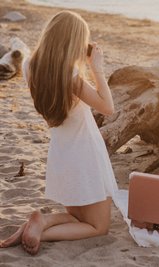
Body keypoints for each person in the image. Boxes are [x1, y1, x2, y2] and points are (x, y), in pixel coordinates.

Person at [0, 11, 118, 255]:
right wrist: (97, 68)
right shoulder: (72, 77)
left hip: (61, 153)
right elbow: (108, 107)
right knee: (98, 226)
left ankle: (40, 222)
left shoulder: (28, 65)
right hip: (85, 153)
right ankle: (40, 228)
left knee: (76, 218)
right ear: (74, 42)